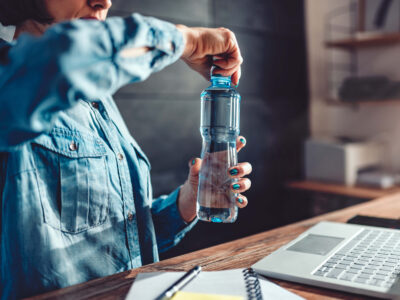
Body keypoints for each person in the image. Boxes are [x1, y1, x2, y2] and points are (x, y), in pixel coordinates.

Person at [0, 0, 252, 298]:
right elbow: (64, 60)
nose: (104, 1)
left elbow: (112, 242)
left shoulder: (99, 98)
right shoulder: (11, 80)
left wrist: (185, 203)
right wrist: (186, 39)